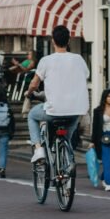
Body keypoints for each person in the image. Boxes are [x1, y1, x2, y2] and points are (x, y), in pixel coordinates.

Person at [26, 25, 89, 165]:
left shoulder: (46, 61)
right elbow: (84, 76)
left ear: (53, 41)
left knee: (32, 115)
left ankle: (38, 150)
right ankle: (67, 162)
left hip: (54, 111)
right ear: (68, 41)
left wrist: (29, 93)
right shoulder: (79, 59)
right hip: (75, 111)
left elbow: (34, 84)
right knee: (66, 137)